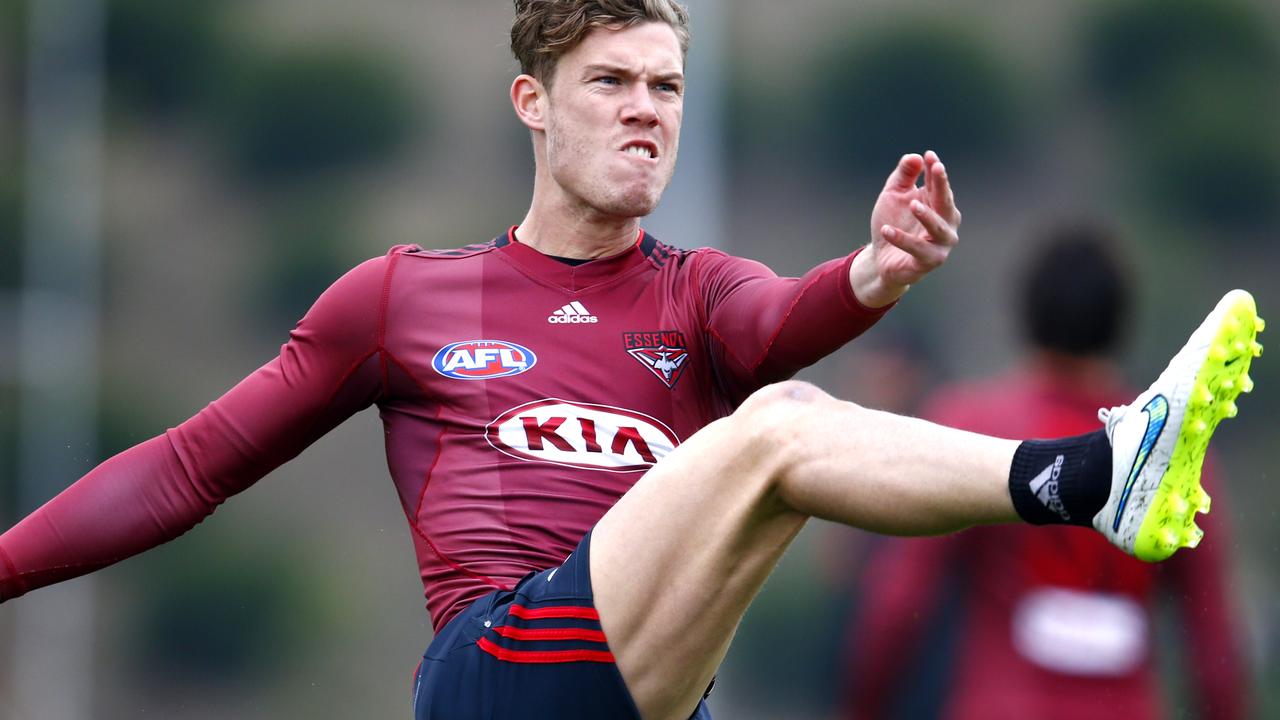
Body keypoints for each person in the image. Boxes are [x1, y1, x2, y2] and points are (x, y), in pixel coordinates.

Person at [0, 3, 1263, 719]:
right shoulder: (399, 297)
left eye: (664, 84)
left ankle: (1097, 475)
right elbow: (188, 466)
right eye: (608, 81)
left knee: (775, 423)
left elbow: (777, 320)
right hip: (499, 673)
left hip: (657, 698)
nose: (645, 109)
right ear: (529, 102)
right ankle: (1090, 474)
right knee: (776, 429)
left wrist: (874, 272)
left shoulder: (698, 291)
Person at [840, 226, 1252, 720]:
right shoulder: (1177, 453)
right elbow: (1215, 645)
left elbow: (897, 604)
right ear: (1120, 322)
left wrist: (860, 708)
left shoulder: (973, 426)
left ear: (1025, 315)